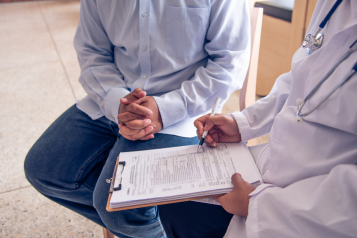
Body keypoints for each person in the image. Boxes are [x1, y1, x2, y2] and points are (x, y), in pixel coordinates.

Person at [24, 0, 251, 237]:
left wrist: (166, 109)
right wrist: (119, 103)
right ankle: (157, 226)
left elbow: (229, 64)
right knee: (42, 169)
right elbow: (92, 52)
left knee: (117, 209)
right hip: (113, 97)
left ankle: (144, 222)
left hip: (186, 109)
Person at [158, 0, 357, 237]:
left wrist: (258, 206)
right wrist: (242, 124)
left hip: (313, 206)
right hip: (278, 156)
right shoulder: (334, 4)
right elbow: (301, 82)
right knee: (176, 200)